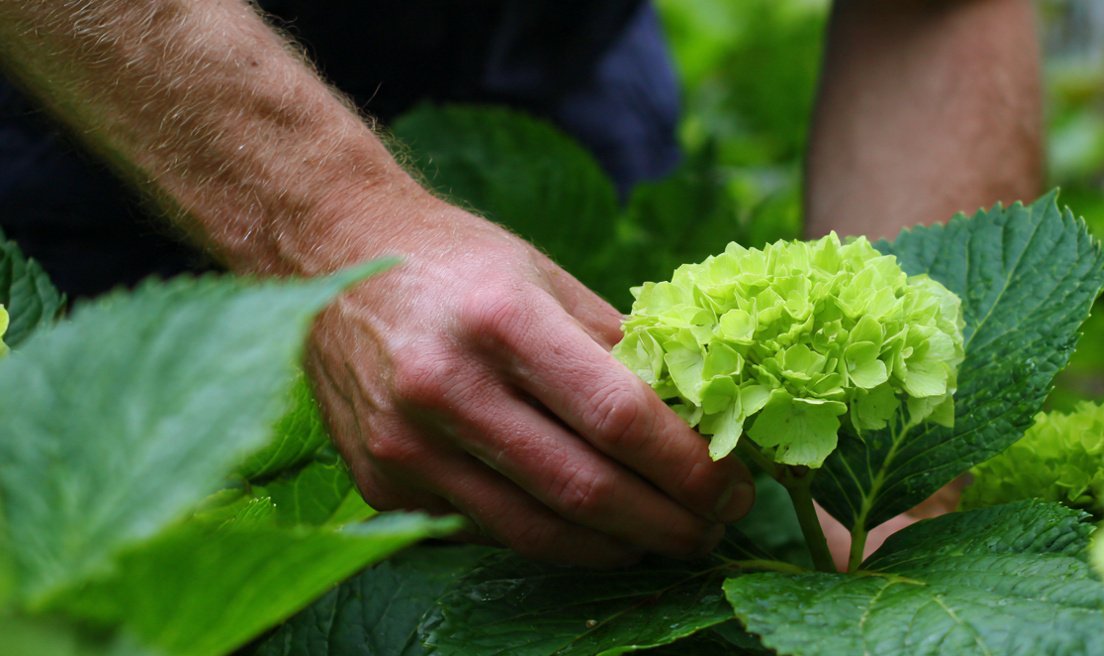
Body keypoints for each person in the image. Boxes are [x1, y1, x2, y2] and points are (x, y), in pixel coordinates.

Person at [0, 0, 1041, 568]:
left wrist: (896, 497)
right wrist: (323, 215)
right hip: (97, 100)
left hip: (549, 72)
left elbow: (931, 14)